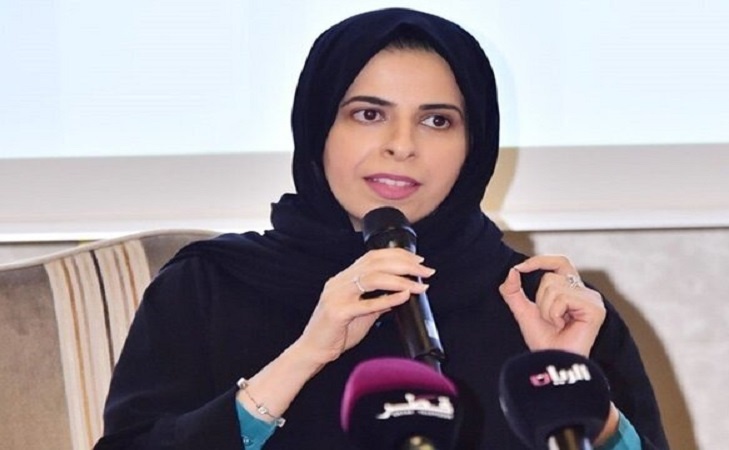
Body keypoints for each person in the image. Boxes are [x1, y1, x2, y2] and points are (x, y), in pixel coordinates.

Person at [95, 7, 668, 449]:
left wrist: (576, 393)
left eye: (437, 120)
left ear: (474, 145)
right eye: (369, 114)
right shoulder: (209, 286)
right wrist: (305, 356)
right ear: (318, 128)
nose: (401, 145)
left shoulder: (546, 303)